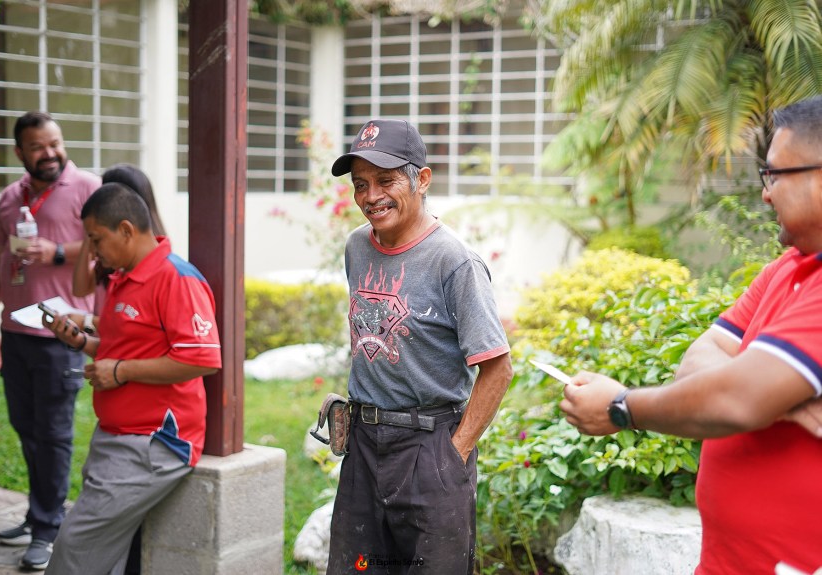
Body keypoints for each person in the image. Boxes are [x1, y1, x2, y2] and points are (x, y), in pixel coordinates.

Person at [560, 96, 822, 574]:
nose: (766, 194)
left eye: (775, 175)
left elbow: (734, 401)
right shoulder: (788, 268)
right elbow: (700, 359)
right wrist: (775, 395)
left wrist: (621, 406)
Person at [326, 119, 514, 574]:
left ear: (422, 179)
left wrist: (456, 453)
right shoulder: (357, 247)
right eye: (361, 185)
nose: (371, 197)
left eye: (386, 180)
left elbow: (498, 368)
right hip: (364, 445)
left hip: (431, 447)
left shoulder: (455, 262)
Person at [41, 182, 221, 574]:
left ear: (126, 230)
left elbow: (203, 359)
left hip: (155, 442)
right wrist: (84, 343)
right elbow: (126, 348)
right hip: (120, 439)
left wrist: (120, 371)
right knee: (106, 556)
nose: (92, 251)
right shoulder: (125, 276)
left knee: (74, 546)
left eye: (96, 239)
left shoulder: (177, 278)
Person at [0, 111, 100, 570]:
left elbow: (109, 250)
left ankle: (48, 528)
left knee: (53, 432)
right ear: (20, 152)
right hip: (15, 332)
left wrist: (58, 252)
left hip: (61, 336)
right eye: (37, 147)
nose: (49, 154)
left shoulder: (87, 188)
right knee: (26, 428)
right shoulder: (10, 198)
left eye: (55, 144)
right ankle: (39, 514)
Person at [72, 163, 167, 299]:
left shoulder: (157, 265)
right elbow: (79, 289)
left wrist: (88, 321)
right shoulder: (110, 252)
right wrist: (93, 231)